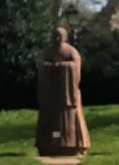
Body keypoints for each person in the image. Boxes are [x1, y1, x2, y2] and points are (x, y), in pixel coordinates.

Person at [35, 27, 91, 156]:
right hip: (51, 96)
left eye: (59, 36)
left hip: (68, 97)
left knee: (71, 118)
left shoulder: (71, 51)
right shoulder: (47, 52)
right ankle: (48, 145)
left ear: (65, 37)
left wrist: (60, 66)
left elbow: (75, 66)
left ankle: (73, 145)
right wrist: (50, 67)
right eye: (55, 36)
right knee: (50, 120)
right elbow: (41, 64)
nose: (57, 38)